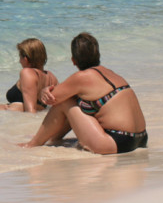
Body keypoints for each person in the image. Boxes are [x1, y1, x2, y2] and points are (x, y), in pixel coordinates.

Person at [19, 32, 148, 154]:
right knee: (73, 101)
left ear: (73, 60)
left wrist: (43, 91)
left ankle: (33, 144)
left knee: (65, 102)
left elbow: (52, 99)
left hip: (117, 142)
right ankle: (52, 139)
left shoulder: (82, 77)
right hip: (140, 139)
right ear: (98, 55)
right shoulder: (111, 74)